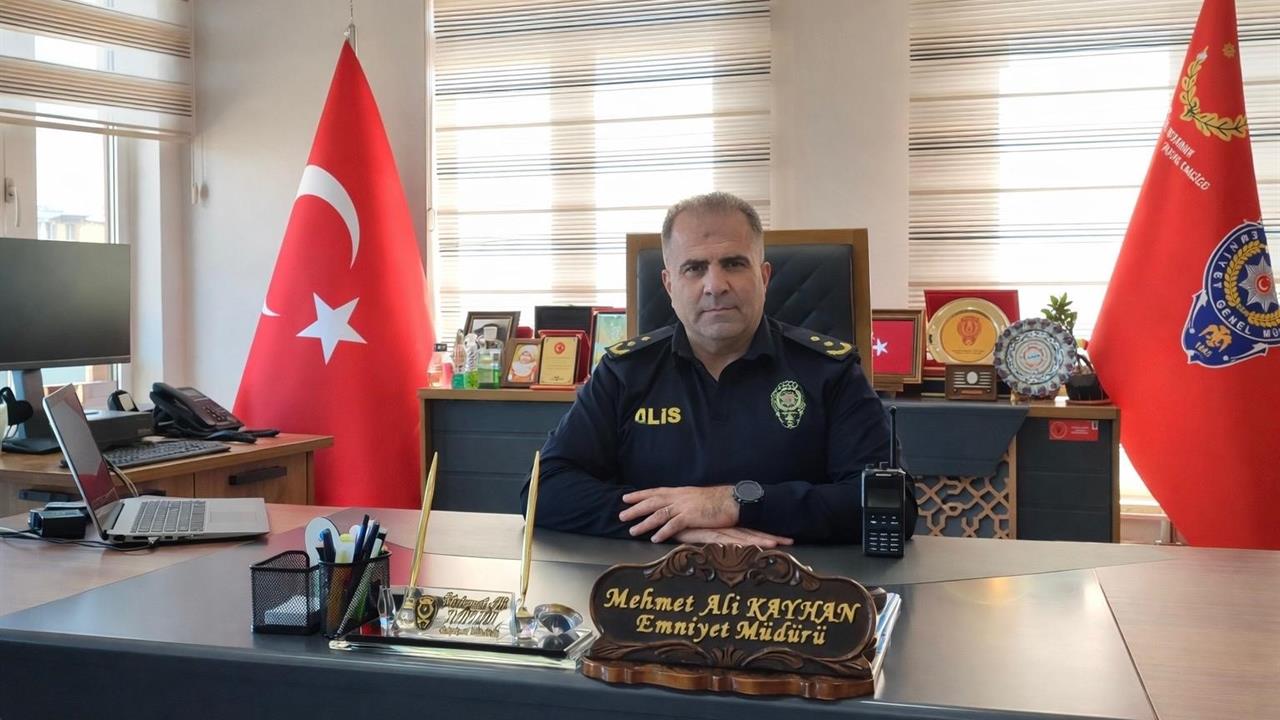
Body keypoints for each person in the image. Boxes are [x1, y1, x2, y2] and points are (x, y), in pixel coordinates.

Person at [524, 191, 910, 545]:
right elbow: (543, 489)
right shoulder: (625, 373)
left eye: (734, 264)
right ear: (669, 285)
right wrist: (675, 523)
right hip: (649, 585)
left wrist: (735, 502)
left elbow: (893, 504)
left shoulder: (830, 371)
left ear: (764, 277)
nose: (715, 285)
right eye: (694, 268)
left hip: (796, 585)